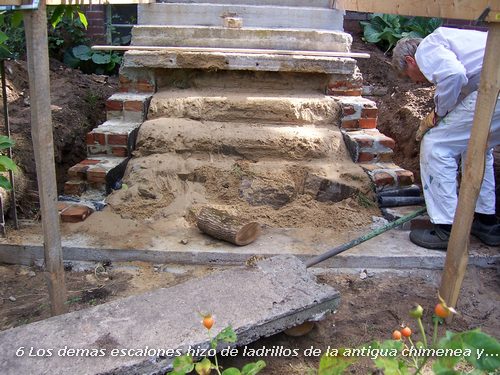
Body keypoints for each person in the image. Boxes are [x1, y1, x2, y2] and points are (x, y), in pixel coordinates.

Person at [391, 27, 500, 249]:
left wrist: (438, 114)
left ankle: (446, 229)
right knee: (477, 148)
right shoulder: (460, 47)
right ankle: (486, 222)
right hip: (493, 87)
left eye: (410, 77)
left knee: (436, 145)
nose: (417, 83)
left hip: (495, 89)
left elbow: (454, 75)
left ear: (411, 60)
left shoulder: (428, 47)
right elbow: (463, 84)